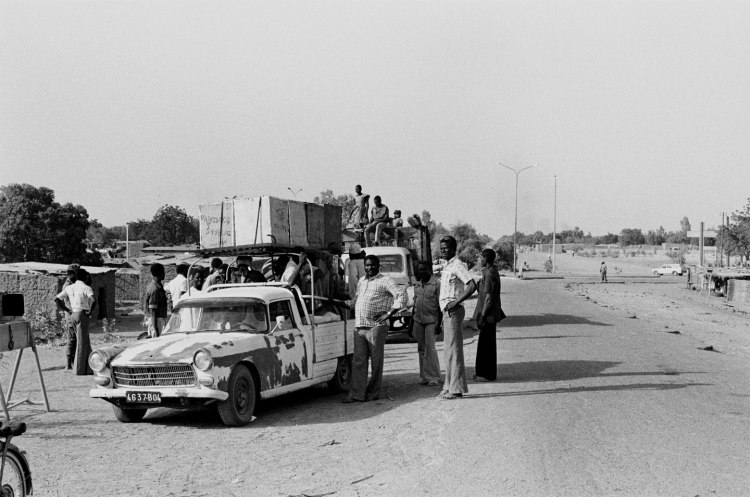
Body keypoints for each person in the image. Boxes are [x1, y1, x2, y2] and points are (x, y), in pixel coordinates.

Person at [343, 254, 405, 403]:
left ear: (379, 266)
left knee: (376, 362)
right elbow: (355, 301)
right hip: (360, 327)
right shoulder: (362, 281)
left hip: (376, 327)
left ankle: (373, 393)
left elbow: (402, 296)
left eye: (372, 265)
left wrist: (389, 313)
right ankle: (357, 394)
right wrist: (344, 302)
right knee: (358, 361)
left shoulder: (385, 281)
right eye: (367, 265)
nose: (369, 267)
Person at [438, 235, 477, 399]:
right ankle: (449, 385)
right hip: (446, 313)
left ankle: (457, 388)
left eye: (446, 248)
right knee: (448, 351)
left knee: (454, 350)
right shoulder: (447, 266)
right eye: (441, 248)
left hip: (454, 311)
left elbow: (472, 285)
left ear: (454, 249)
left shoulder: (458, 265)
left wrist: (456, 302)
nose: (443, 250)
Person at [54, 267, 96, 375]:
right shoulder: (86, 288)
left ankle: (89, 366)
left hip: (73, 315)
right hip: (82, 314)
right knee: (82, 342)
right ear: (85, 277)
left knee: (83, 340)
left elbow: (57, 299)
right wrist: (90, 312)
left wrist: (67, 310)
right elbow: (93, 300)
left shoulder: (70, 287)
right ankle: (80, 369)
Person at [411, 260, 442, 387]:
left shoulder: (436, 284)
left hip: (431, 320)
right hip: (418, 320)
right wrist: (410, 325)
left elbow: (441, 306)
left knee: (430, 348)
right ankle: (423, 376)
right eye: (420, 270)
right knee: (421, 349)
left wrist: (439, 324)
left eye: (424, 269)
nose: (422, 272)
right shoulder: (417, 285)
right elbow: (414, 305)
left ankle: (434, 376)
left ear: (430, 270)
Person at [473, 248, 502, 382]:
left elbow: (489, 299)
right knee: (484, 344)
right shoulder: (488, 272)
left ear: (485, 259)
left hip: (488, 315)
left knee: (487, 345)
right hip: (487, 314)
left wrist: (482, 317)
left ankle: (487, 374)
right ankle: (483, 372)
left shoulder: (490, 274)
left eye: (480, 258)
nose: (479, 260)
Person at [59, 264, 80, 370]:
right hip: (70, 315)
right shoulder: (67, 286)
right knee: (72, 339)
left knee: (76, 339)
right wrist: (68, 310)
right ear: (70, 274)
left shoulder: (74, 283)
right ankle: (68, 364)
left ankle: (72, 362)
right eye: (76, 273)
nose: (77, 275)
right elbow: (58, 300)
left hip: (75, 314)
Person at [143, 263, 168, 338]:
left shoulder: (158, 287)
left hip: (158, 322)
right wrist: (156, 331)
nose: (164, 274)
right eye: (163, 272)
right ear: (160, 273)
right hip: (157, 323)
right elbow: (153, 313)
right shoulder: (155, 290)